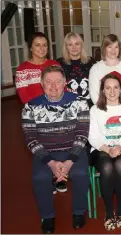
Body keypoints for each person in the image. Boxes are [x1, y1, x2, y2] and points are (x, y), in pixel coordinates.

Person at [21, 65, 89, 234]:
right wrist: (51, 163)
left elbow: (82, 133)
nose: (53, 86)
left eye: (58, 82)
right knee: (40, 177)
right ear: (41, 84)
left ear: (65, 83)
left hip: (74, 150)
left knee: (80, 174)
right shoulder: (30, 107)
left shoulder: (79, 102)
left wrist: (70, 161)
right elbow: (30, 138)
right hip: (46, 153)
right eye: (48, 82)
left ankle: (79, 212)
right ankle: (48, 216)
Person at [88, 73, 121, 231]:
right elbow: (93, 137)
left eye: (115, 87)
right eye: (107, 88)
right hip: (101, 149)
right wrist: (108, 149)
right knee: (107, 167)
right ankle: (109, 211)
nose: (112, 91)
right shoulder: (95, 109)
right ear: (102, 90)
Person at [89, 34, 121, 106]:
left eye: (116, 47)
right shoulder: (95, 69)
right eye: (110, 47)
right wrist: (102, 108)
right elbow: (94, 93)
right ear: (104, 48)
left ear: (119, 49)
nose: (113, 50)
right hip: (103, 110)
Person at [15, 32, 59, 104]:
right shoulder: (22, 70)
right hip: (34, 111)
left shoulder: (55, 65)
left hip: (57, 107)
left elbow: (62, 89)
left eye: (44, 45)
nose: (42, 48)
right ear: (31, 48)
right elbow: (24, 98)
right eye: (37, 45)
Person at [57, 32, 96, 103]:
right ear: (66, 47)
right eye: (70, 45)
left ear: (81, 45)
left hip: (89, 104)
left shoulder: (91, 62)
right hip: (67, 104)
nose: (74, 47)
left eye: (77, 44)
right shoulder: (59, 63)